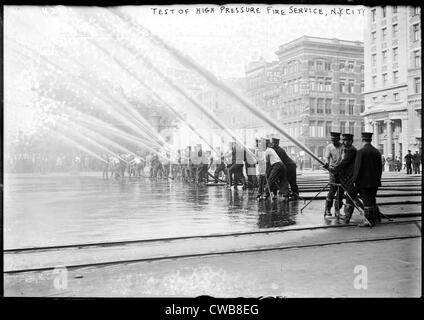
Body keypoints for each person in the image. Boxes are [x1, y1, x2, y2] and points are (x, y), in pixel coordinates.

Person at [353, 132, 383, 227]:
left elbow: (357, 168)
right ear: (370, 140)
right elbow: (380, 168)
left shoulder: (360, 151)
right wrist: (378, 179)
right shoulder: (377, 152)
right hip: (375, 181)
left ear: (362, 139)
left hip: (364, 182)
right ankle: (374, 218)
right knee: (372, 199)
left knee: (366, 201)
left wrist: (354, 180)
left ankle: (368, 220)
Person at [330, 133, 358, 223]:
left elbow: (345, 162)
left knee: (349, 197)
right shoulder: (345, 149)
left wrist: (335, 168)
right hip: (343, 177)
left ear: (350, 141)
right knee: (339, 195)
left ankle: (347, 216)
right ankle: (337, 212)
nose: (343, 142)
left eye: (345, 140)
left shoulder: (351, 150)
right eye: (343, 140)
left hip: (349, 177)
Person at [323, 132, 343, 217]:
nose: (333, 142)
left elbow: (344, 159)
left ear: (338, 139)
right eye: (332, 140)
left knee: (340, 192)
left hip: (342, 171)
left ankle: (337, 211)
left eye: (335, 140)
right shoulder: (329, 147)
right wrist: (328, 166)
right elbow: (327, 158)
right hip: (333, 172)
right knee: (332, 191)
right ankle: (327, 210)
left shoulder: (343, 147)